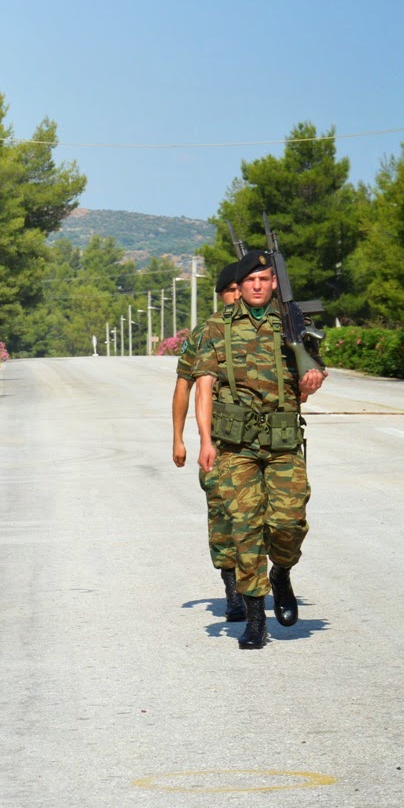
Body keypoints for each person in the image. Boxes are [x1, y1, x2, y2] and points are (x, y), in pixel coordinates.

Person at [191, 250, 327, 650]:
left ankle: (282, 572)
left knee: (288, 523)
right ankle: (254, 619)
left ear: (273, 285)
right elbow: (202, 386)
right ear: (241, 285)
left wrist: (312, 378)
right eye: (250, 280)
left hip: (283, 442)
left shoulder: (293, 324)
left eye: (264, 280)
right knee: (245, 528)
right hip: (236, 446)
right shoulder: (215, 329)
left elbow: (312, 374)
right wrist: (204, 440)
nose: (256, 286)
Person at [174, 263, 246, 621]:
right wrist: (178, 438)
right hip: (218, 438)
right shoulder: (206, 333)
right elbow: (184, 385)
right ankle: (232, 589)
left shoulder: (267, 328)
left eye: (242, 287)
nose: (237, 295)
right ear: (221, 295)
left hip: (257, 440)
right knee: (222, 515)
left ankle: (264, 581)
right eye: (231, 289)